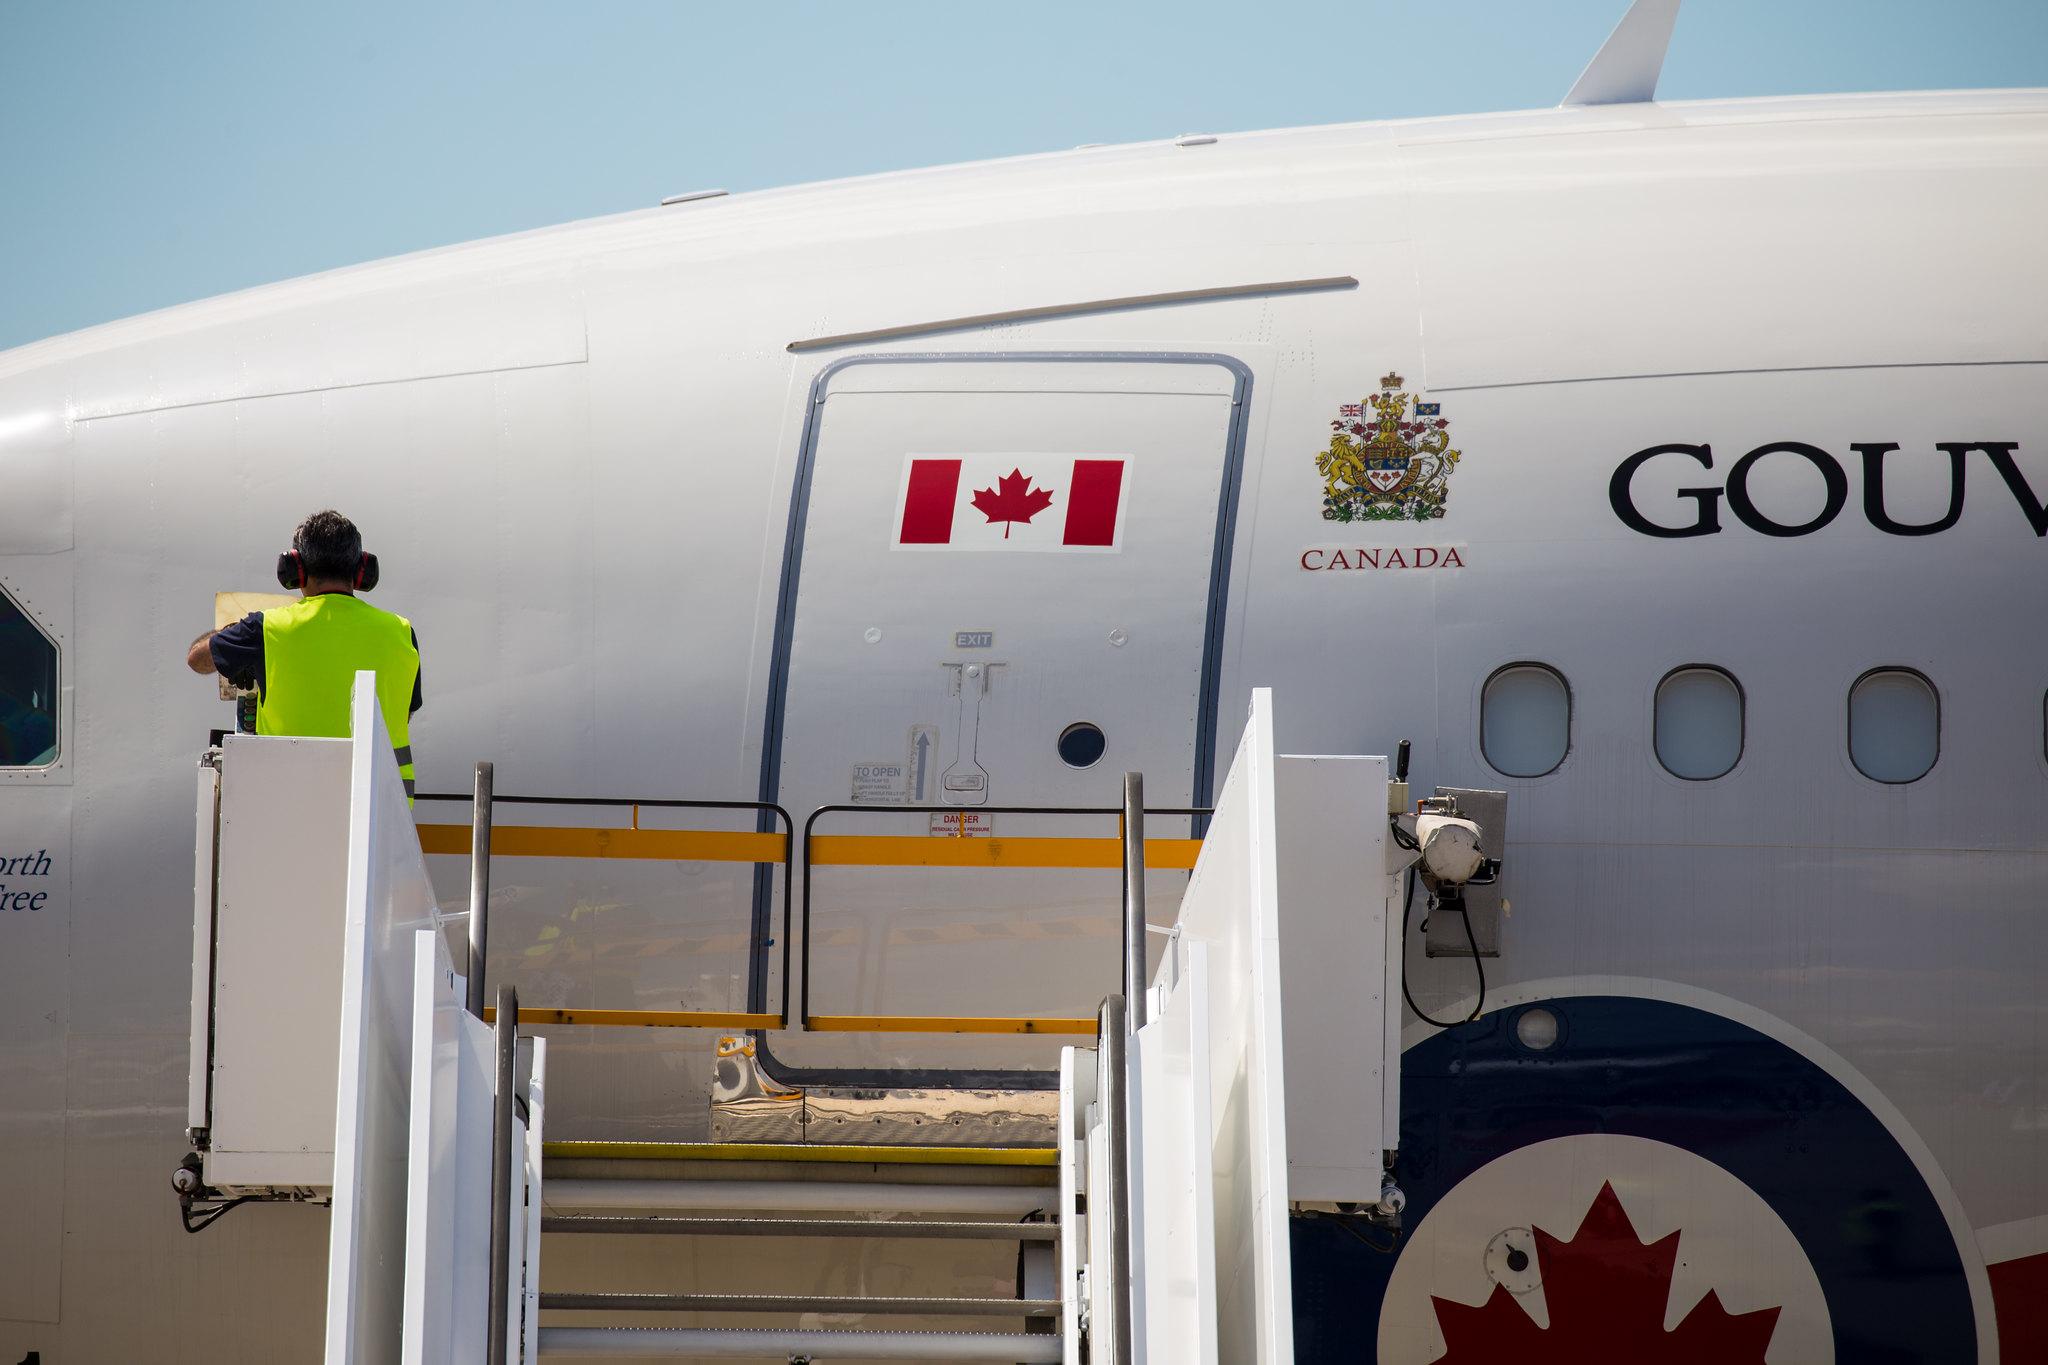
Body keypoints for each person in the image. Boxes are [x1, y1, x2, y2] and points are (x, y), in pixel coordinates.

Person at [186, 509, 422, 796]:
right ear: (362, 570)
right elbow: (403, 713)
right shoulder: (401, 632)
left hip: (289, 802)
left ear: (294, 568)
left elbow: (197, 659)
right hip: (382, 807)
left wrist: (233, 631)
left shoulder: (266, 628)